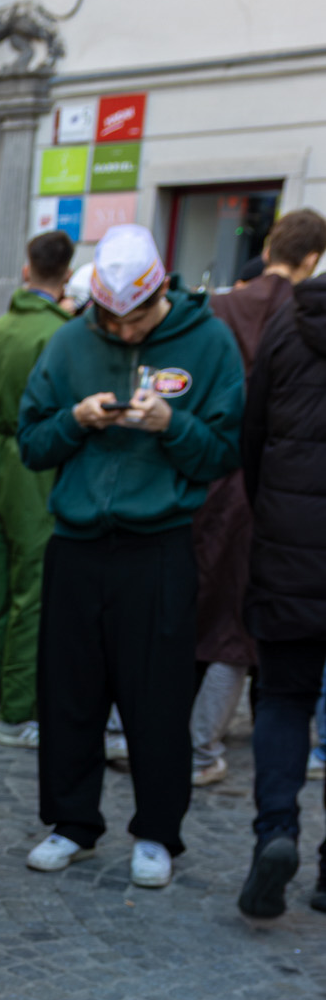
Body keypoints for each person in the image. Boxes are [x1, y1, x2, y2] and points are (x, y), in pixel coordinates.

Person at [17, 223, 243, 888]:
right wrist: (75, 420)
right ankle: (70, 822)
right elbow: (31, 443)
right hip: (76, 544)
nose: (120, 330)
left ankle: (157, 832)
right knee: (68, 693)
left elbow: (224, 452)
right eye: (108, 318)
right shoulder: (69, 341)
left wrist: (173, 425)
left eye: (134, 317)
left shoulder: (209, 342)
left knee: (157, 697)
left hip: (159, 546)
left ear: (160, 291)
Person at [190, 209, 326, 787]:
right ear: (313, 257)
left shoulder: (221, 307)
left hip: (216, 479)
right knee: (234, 632)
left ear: (269, 246)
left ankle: (149, 735)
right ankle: (201, 748)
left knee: (192, 609)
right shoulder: (299, 313)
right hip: (272, 499)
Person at [235, 250, 326, 918]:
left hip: (289, 551)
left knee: (284, 698)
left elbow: (252, 435)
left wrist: (273, 517)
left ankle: (275, 833)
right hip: (289, 545)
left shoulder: (290, 324)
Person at [0, 229, 74, 748]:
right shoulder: (61, 334)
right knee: (32, 586)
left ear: (28, 269)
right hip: (36, 461)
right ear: (67, 275)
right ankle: (16, 712)